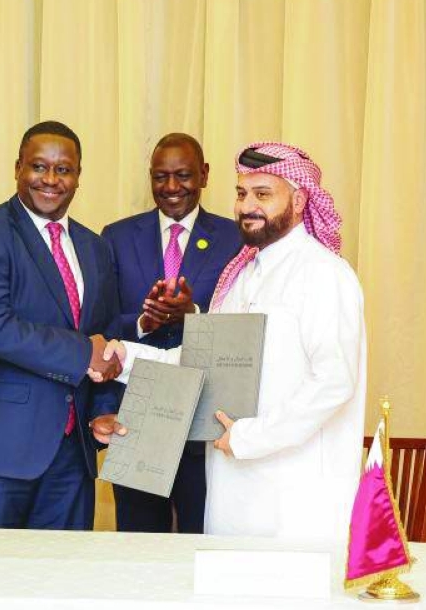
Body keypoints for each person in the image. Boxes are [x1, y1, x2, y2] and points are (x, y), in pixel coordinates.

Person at [92, 141, 367, 548]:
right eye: (241, 194)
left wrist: (251, 437)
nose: (247, 206)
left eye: (263, 194)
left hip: (296, 500)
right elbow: (200, 364)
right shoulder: (240, 278)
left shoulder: (324, 274)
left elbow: (334, 383)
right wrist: (126, 355)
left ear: (299, 199)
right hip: (232, 495)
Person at [0, 120, 124, 530]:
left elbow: (103, 337)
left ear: (78, 176)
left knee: (59, 584)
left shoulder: (94, 247)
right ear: (17, 167)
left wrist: (102, 411)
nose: (51, 179)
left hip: (72, 458)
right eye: (39, 167)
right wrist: (80, 352)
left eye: (64, 169)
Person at [100, 133, 241, 534]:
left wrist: (191, 314)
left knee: (205, 536)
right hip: (139, 414)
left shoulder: (236, 238)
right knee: (140, 544)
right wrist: (145, 321)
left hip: (207, 415)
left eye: (184, 176)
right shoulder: (117, 236)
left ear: (205, 175)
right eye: (161, 177)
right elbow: (103, 323)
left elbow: (246, 324)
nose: (172, 187)